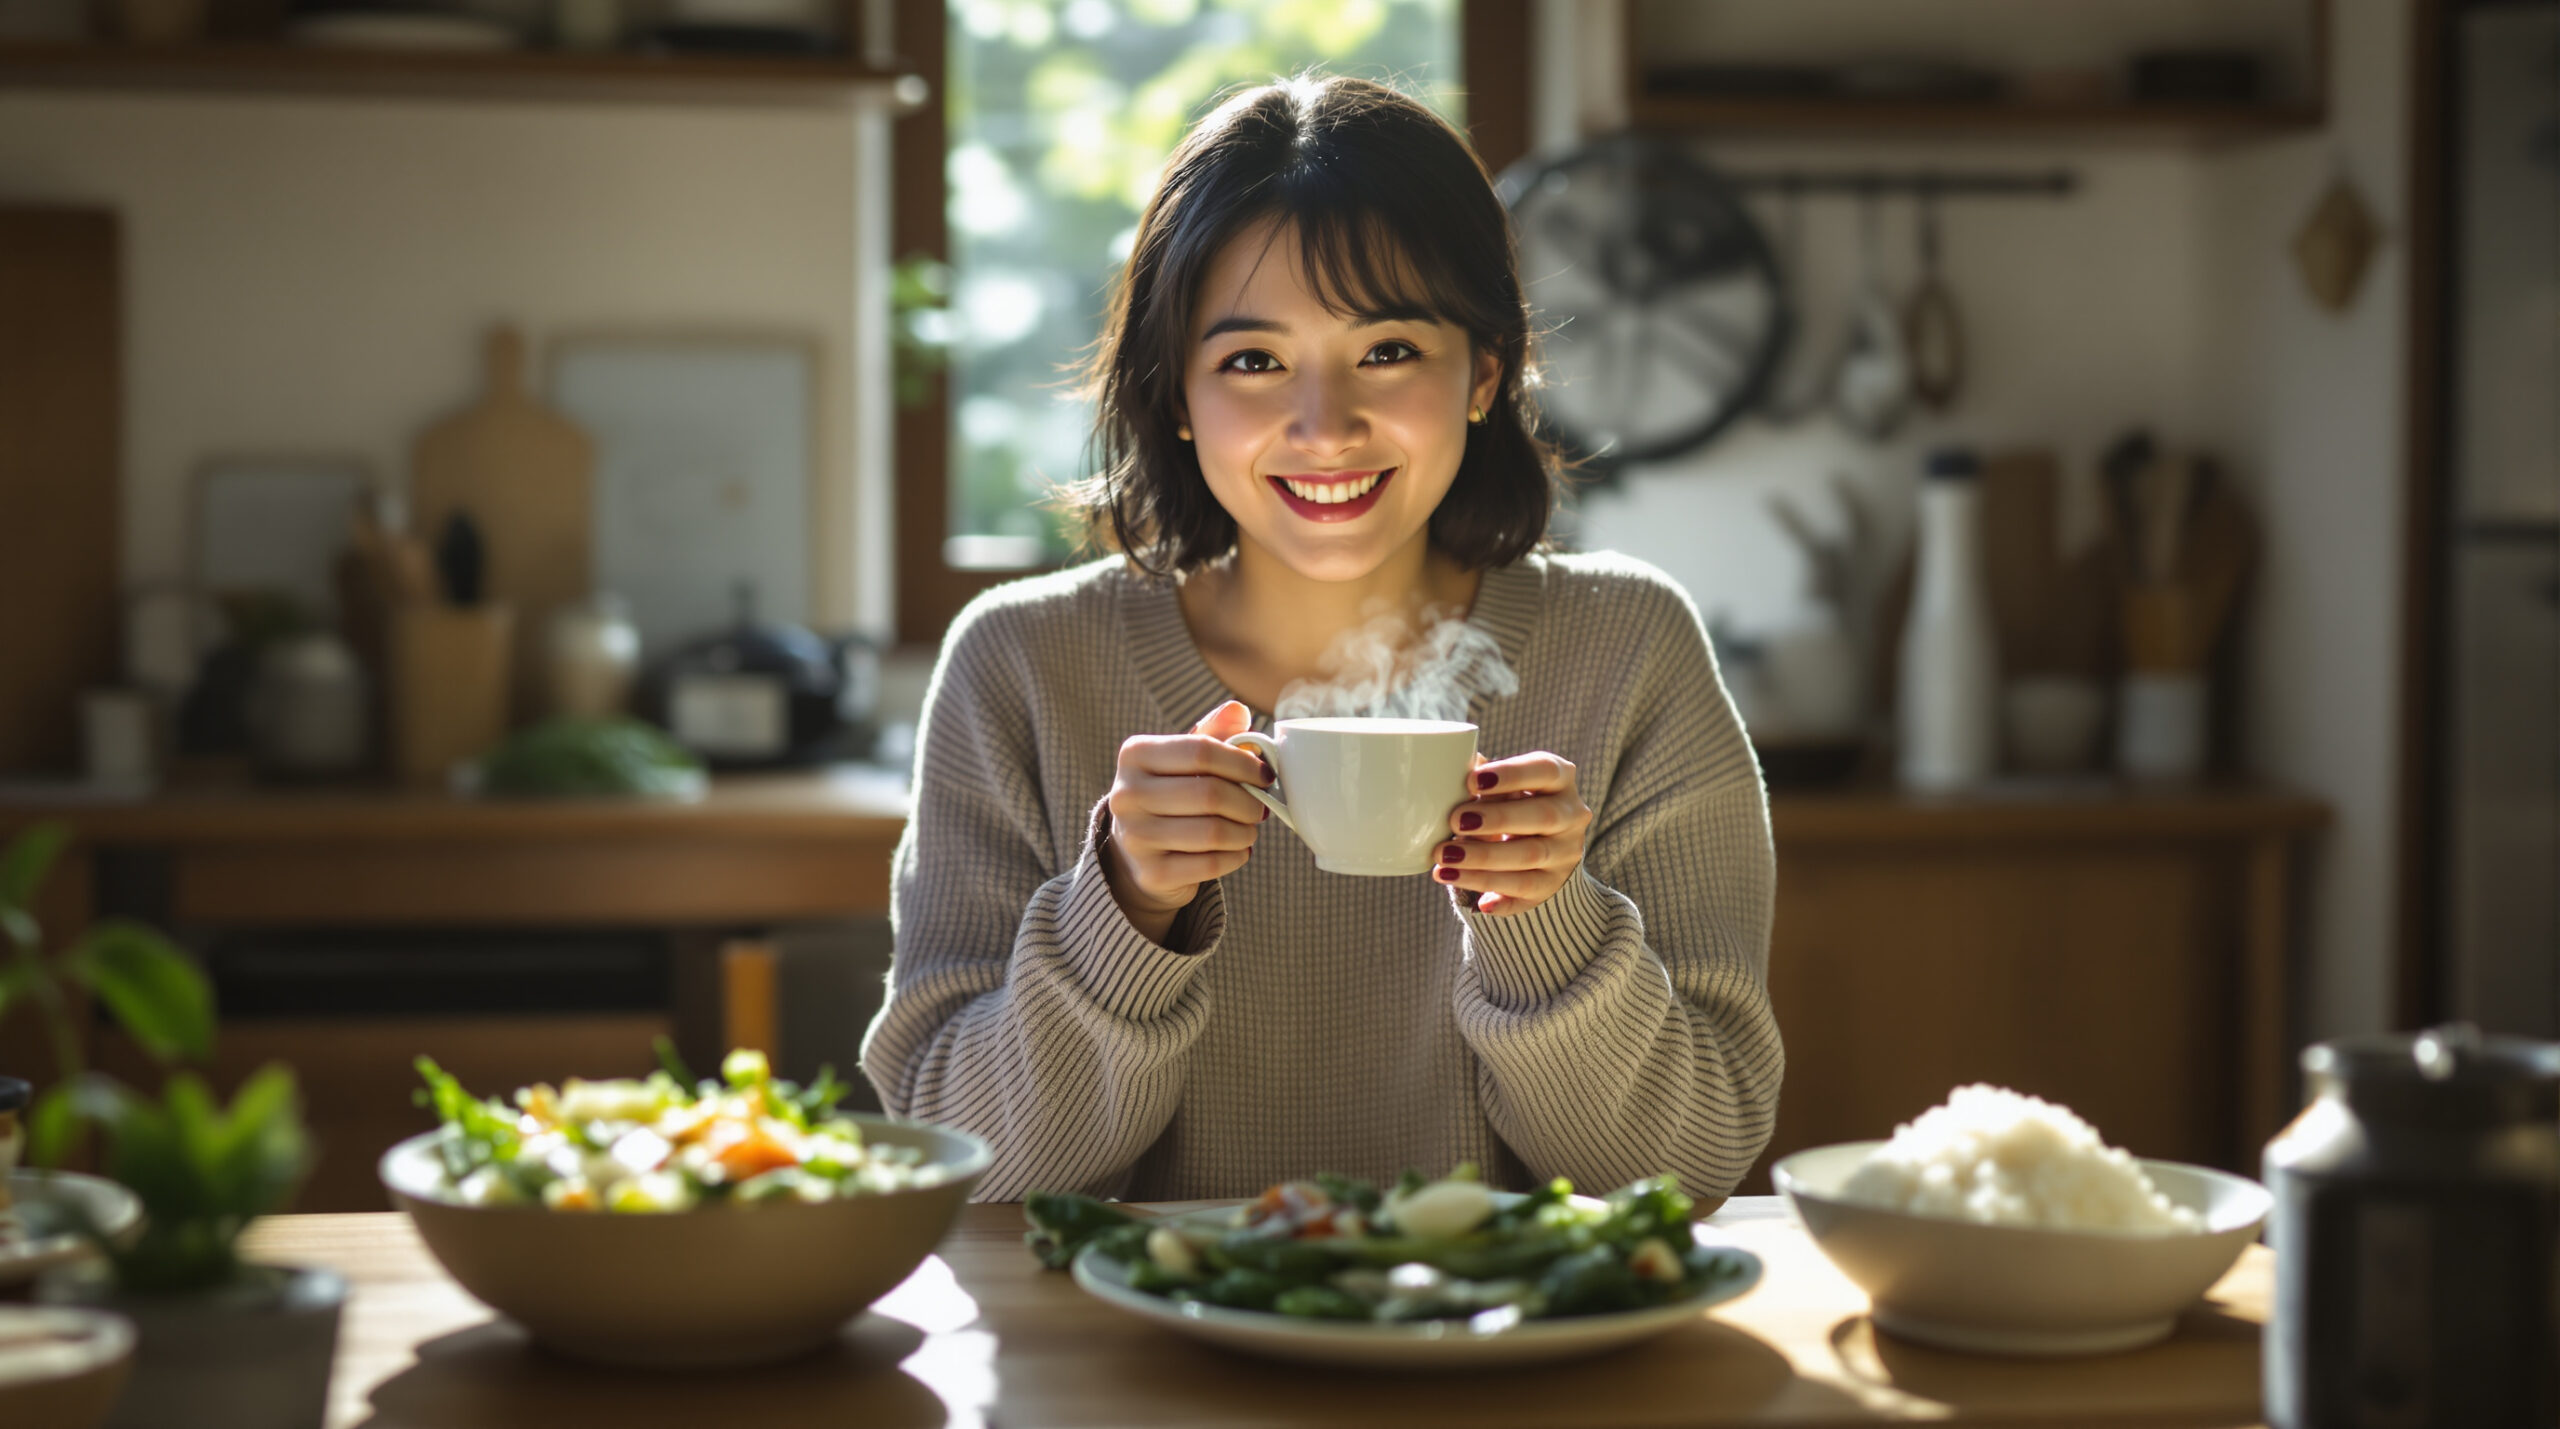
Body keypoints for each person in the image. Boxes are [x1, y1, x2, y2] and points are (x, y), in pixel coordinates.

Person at [862, 73, 1781, 1205]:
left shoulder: (1628, 647)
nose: (1324, 428)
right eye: (1252, 361)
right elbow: (962, 1166)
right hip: (1138, 1322)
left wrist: (1548, 925)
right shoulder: (1021, 666)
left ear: (1484, 373)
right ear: (1178, 395)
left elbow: (1690, 1167)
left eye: (1387, 350)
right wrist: (1125, 909)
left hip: (1501, 1317)